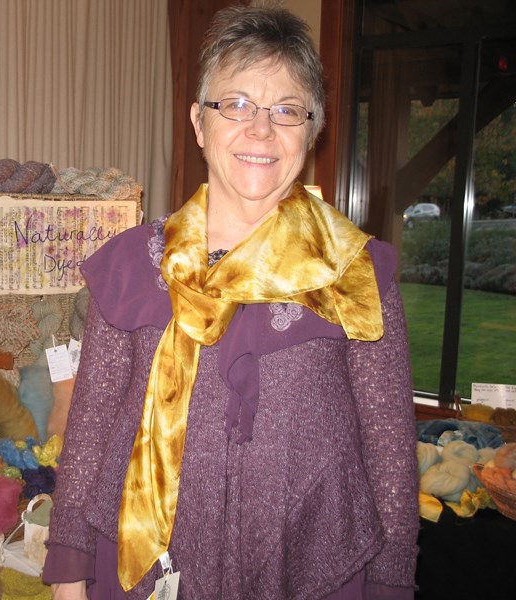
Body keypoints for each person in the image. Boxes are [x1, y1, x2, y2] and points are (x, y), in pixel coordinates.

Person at [42, 4, 419, 599]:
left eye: (286, 110)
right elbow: (88, 435)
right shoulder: (130, 267)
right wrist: (66, 576)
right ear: (198, 122)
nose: (260, 131)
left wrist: (394, 585)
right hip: (142, 570)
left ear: (312, 129)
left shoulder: (357, 274)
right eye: (236, 104)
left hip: (312, 570)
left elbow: (391, 455)